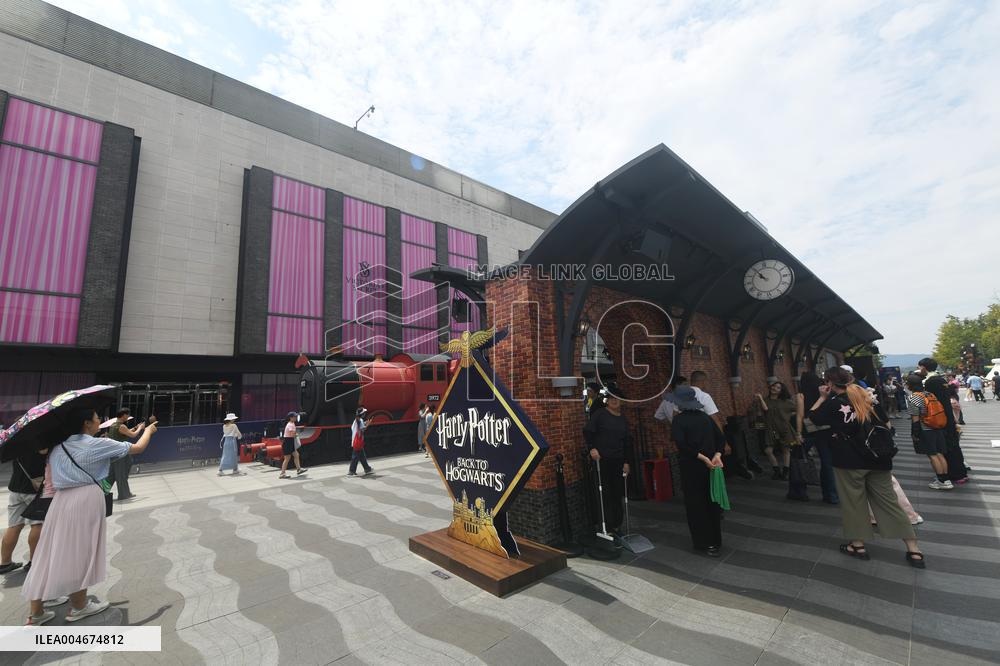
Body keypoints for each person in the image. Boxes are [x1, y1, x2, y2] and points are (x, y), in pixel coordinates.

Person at [23, 409, 157, 625]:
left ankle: (36, 613)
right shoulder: (96, 444)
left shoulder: (59, 447)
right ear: (86, 423)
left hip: (60, 502)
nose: (100, 422)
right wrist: (149, 431)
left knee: (47, 553)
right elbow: (138, 447)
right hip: (84, 500)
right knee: (80, 552)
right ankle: (78, 606)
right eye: (97, 419)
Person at [808, 366, 925, 568]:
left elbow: (813, 419)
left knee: (854, 503)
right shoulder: (869, 399)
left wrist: (821, 397)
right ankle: (914, 550)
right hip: (879, 459)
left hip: (848, 461)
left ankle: (858, 545)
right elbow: (888, 426)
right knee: (889, 503)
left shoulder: (834, 403)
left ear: (829, 383)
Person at [670, 386, 725, 556]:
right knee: (712, 502)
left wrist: (703, 458)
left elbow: (682, 445)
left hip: (692, 467)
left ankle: (703, 542)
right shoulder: (704, 417)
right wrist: (716, 456)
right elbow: (720, 439)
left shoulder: (678, 421)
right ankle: (715, 542)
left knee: (696, 505)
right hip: (712, 468)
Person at [584, 394, 631, 537]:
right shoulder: (600, 415)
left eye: (617, 398)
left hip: (618, 460)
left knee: (617, 493)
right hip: (602, 459)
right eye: (611, 398)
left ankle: (617, 524)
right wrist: (591, 448)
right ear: (607, 401)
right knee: (604, 492)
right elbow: (588, 431)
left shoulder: (623, 419)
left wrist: (626, 462)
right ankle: (606, 525)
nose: (614, 401)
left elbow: (627, 442)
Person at [917, 358, 968, 484]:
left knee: (945, 447)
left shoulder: (930, 382)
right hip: (948, 417)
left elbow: (930, 403)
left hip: (940, 418)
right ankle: (960, 473)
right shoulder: (941, 379)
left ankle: (954, 475)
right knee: (954, 445)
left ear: (924, 367)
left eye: (919, 367)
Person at [1, 448, 48, 575]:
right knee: (37, 524)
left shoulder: (18, 438)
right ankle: (34, 562)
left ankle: (5, 562)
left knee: (14, 526)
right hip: (35, 488)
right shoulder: (40, 439)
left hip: (16, 487)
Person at [905, 374, 951, 490]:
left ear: (909, 386)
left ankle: (941, 481)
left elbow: (915, 419)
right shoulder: (930, 394)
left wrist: (915, 434)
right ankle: (946, 479)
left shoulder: (913, 397)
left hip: (925, 429)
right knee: (940, 453)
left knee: (932, 455)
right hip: (937, 426)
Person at [800, 371, 838, 504]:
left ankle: (828, 493)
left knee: (825, 463)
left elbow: (802, 416)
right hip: (829, 430)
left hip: (812, 431)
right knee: (829, 463)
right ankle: (832, 494)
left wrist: (799, 433)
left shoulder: (802, 395)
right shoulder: (825, 392)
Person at [755, 381, 799, 480]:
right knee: (768, 451)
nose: (774, 388)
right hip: (770, 429)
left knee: (786, 450)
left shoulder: (785, 402)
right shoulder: (765, 400)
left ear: (781, 391)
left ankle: (785, 471)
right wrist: (761, 398)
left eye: (778, 387)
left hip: (784, 428)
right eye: (774, 386)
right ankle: (776, 470)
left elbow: (797, 409)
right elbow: (765, 410)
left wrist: (787, 416)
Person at [105, 408, 144, 501]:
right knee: (121, 474)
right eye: (127, 415)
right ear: (124, 415)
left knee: (112, 475)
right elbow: (133, 435)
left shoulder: (113, 425)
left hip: (114, 454)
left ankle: (103, 491)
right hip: (121, 454)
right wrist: (140, 428)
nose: (128, 417)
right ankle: (123, 494)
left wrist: (135, 427)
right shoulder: (121, 426)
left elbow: (126, 432)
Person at [278, 412, 307, 479]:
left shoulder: (292, 423)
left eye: (296, 417)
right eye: (295, 417)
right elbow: (292, 435)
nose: (296, 418)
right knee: (287, 458)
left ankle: (299, 469)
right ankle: (282, 473)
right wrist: (296, 434)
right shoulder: (290, 425)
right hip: (288, 442)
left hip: (289, 442)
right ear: (291, 418)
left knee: (296, 455)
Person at [348, 407, 374, 476]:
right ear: (362, 414)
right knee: (355, 457)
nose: (365, 414)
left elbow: (359, 426)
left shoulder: (356, 420)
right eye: (364, 413)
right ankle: (351, 471)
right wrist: (368, 424)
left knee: (362, 456)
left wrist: (365, 422)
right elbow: (362, 429)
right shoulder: (360, 420)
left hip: (356, 441)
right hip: (357, 442)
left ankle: (367, 469)